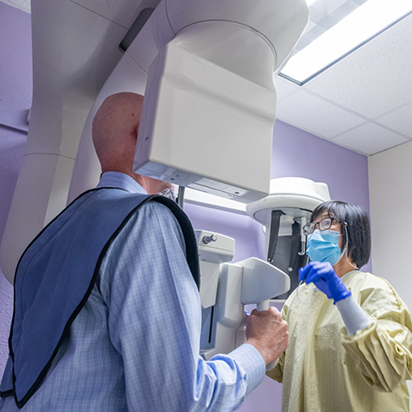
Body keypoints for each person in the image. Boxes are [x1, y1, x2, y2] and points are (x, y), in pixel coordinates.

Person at [0, 92, 289, 411]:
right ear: (143, 135)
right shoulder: (144, 219)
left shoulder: (49, 236)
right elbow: (175, 401)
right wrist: (259, 349)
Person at [267, 200, 412, 412]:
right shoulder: (298, 298)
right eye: (313, 227)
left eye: (325, 223)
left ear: (351, 233)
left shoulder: (373, 289)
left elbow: (390, 371)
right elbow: (282, 369)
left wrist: (343, 298)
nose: (315, 233)